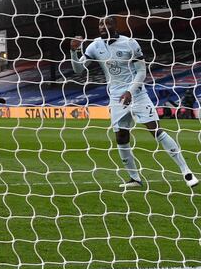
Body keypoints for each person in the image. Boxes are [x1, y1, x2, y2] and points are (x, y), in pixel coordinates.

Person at [71, 17, 198, 188]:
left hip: (137, 94)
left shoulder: (130, 43)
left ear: (115, 25)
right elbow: (78, 70)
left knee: (156, 130)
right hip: (116, 98)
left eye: (107, 23)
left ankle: (186, 172)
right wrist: (74, 51)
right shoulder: (95, 46)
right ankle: (135, 179)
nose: (103, 26)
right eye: (100, 24)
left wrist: (130, 91)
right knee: (121, 137)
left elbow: (141, 72)